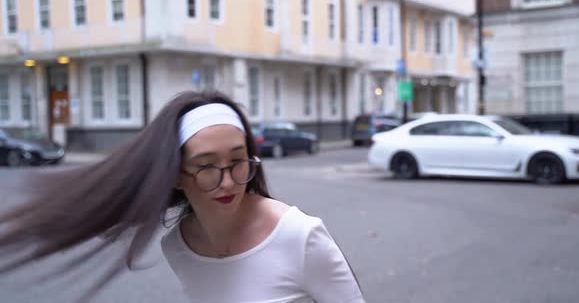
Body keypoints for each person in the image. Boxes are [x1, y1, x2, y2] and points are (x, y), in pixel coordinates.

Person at [0, 91, 365, 302]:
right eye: (207, 166)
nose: (227, 182)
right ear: (176, 175)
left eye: (238, 161)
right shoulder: (179, 246)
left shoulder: (299, 236)